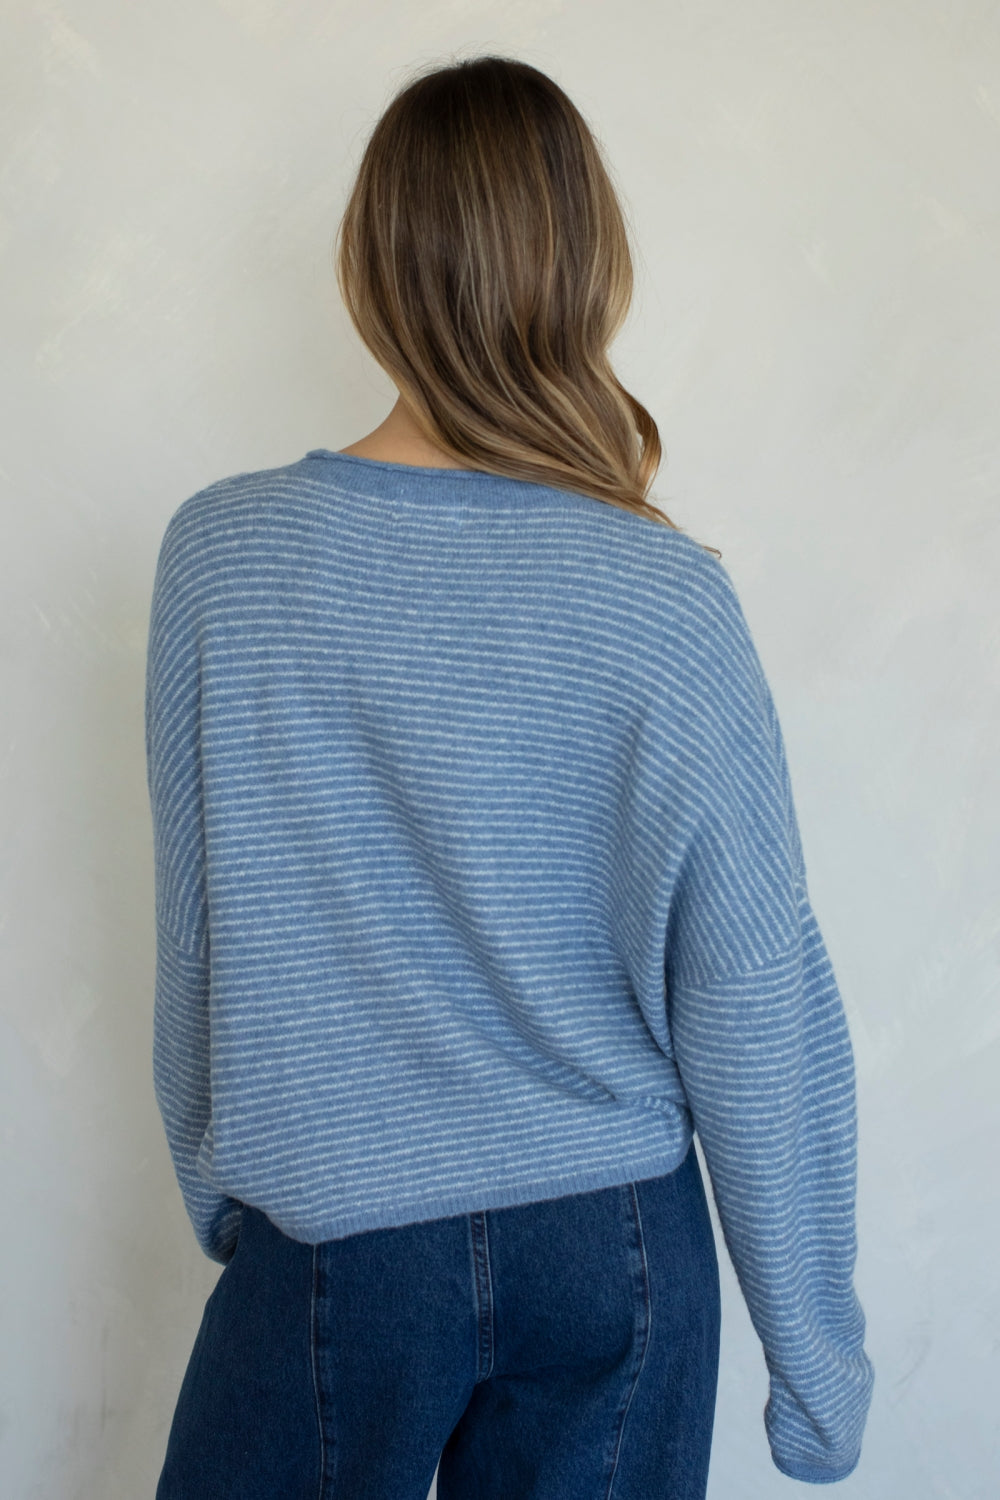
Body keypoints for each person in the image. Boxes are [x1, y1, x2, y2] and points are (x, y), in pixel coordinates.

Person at [146, 54, 874, 1499]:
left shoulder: (225, 558)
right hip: (614, 1247)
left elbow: (200, 937)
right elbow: (753, 995)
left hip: (335, 1241)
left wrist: (233, 1192)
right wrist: (818, 1364)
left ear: (369, 265)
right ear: (589, 272)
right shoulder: (665, 594)